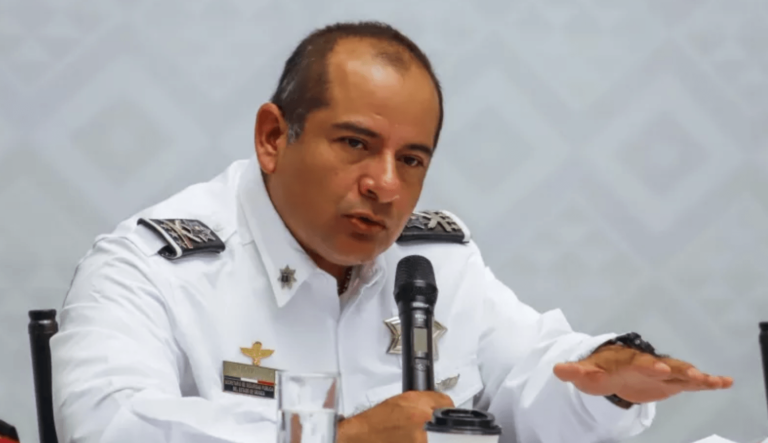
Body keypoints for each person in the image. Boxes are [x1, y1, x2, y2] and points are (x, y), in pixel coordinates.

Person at [50, 21, 732, 443]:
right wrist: (337, 438)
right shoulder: (149, 266)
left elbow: (531, 376)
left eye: (412, 159)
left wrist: (605, 379)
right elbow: (110, 423)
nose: (386, 185)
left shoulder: (433, 261)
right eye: (355, 144)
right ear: (272, 137)